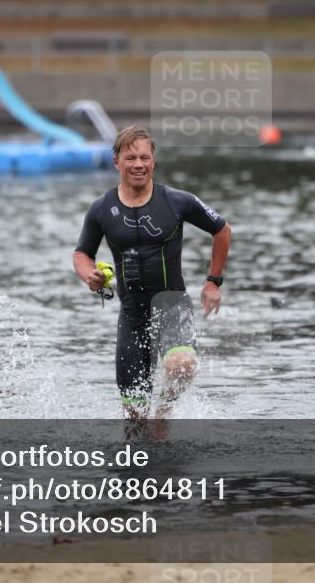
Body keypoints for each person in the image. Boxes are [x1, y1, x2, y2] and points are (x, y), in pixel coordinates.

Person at [73, 125, 231, 423]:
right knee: (134, 419)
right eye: (130, 158)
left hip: (172, 304)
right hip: (132, 314)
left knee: (182, 364)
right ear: (116, 162)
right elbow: (82, 253)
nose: (138, 165)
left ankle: (166, 408)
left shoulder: (177, 201)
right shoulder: (101, 209)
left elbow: (222, 230)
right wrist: (88, 274)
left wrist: (213, 281)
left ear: (153, 161)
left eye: (145, 157)